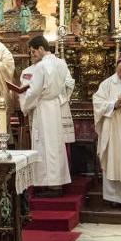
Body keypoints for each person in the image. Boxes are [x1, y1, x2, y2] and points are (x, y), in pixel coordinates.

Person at [18, 36, 71, 196]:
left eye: (34, 51)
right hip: (55, 106)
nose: (33, 54)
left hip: (43, 108)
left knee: (44, 145)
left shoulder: (41, 67)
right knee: (55, 145)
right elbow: (66, 86)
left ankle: (50, 184)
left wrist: (25, 106)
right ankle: (57, 182)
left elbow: (34, 91)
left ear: (41, 48)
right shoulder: (61, 63)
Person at [93, 56, 121, 205]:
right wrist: (113, 105)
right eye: (120, 71)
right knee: (114, 161)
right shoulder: (107, 84)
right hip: (112, 130)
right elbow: (98, 102)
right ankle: (115, 198)